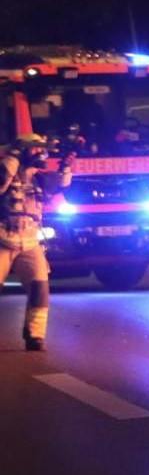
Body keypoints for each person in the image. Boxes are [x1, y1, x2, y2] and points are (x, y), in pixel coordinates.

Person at [0, 134, 73, 352]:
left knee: (40, 288)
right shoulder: (7, 174)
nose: (41, 154)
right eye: (35, 150)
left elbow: (61, 184)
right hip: (2, 239)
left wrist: (66, 166)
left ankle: (35, 335)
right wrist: (14, 155)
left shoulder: (39, 178)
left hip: (30, 242)